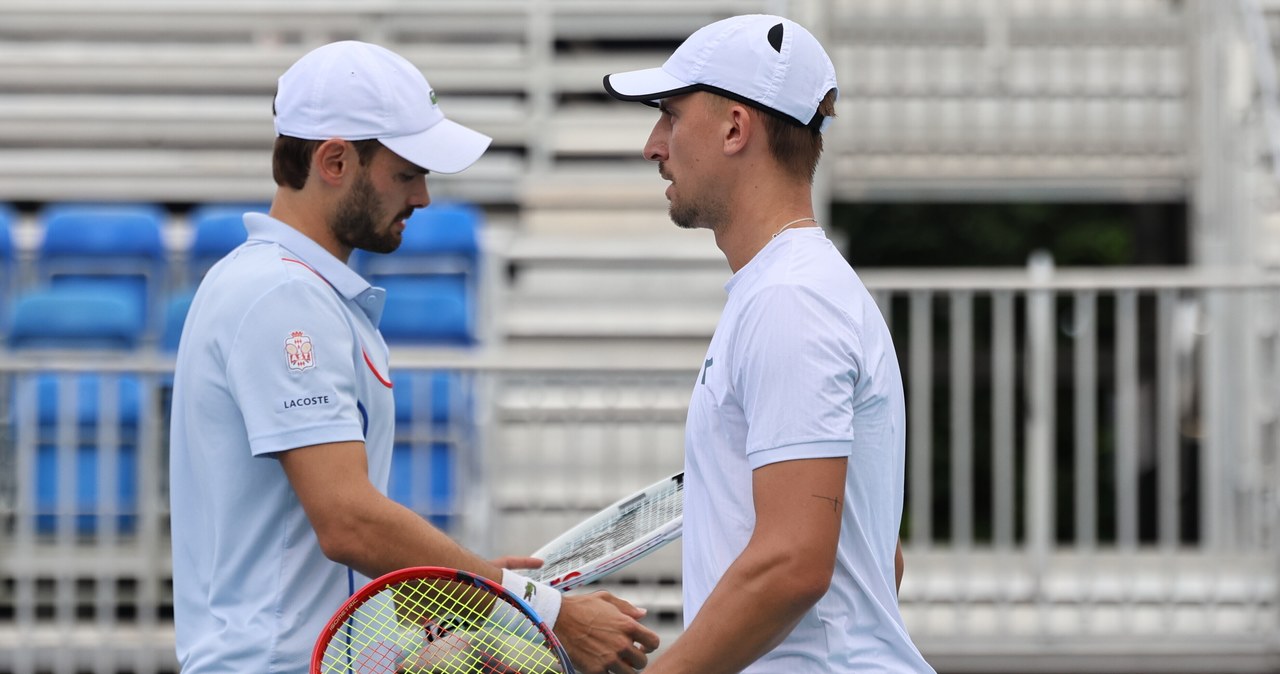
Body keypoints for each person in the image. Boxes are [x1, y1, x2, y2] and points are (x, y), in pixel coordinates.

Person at [169, 40, 658, 674]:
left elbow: (320, 552)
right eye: (406, 173)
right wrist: (535, 609)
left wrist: (461, 587)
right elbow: (347, 522)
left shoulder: (287, 288)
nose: (424, 196)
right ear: (335, 161)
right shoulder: (284, 295)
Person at [603, 15, 935, 673]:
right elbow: (873, 556)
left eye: (669, 115)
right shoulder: (791, 290)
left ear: (734, 128)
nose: (652, 144)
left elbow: (792, 564)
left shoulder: (791, 301)